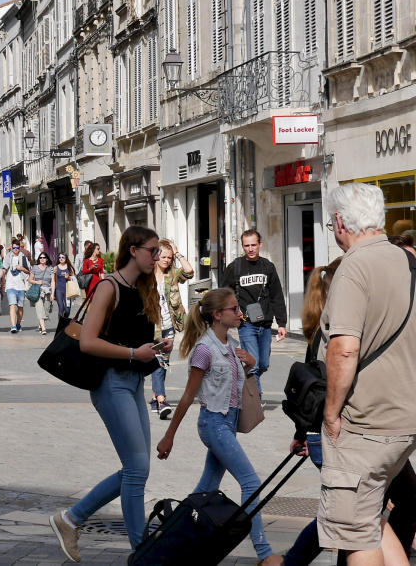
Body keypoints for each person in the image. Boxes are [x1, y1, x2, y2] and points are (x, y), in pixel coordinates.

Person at [283, 256, 416, 566]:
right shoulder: (337, 333)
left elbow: (309, 390)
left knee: (351, 515)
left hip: (337, 434)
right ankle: (294, 561)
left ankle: (295, 561)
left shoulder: (327, 329)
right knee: (358, 517)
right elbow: (320, 390)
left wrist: (302, 435)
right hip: (342, 434)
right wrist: (314, 430)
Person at [49, 226, 170, 560]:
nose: (156, 257)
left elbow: (133, 340)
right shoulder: (108, 286)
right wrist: (134, 353)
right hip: (110, 382)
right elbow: (88, 342)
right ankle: (143, 553)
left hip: (134, 382)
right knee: (136, 469)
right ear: (133, 250)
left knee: (137, 469)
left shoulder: (144, 289)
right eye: (152, 250)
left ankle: (71, 519)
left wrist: (156, 346)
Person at [315, 183, 416, 566]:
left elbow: (344, 346)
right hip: (405, 416)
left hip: (367, 423)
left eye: (330, 223)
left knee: (354, 531)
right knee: (370, 518)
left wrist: (332, 413)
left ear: (341, 221)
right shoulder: (407, 259)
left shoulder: (356, 265)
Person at [155, 289, 280, 566]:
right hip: (214, 425)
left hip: (228, 424)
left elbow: (236, 388)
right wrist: (169, 436)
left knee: (205, 491)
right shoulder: (204, 349)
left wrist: (251, 363)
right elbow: (188, 395)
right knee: (251, 482)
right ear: (217, 315)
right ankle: (264, 553)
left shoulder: (231, 344)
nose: (239, 313)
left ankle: (171, 539)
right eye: (234, 309)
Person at [223, 230, 287, 393]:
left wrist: (282, 323)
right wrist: (234, 311)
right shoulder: (235, 267)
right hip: (246, 324)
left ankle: (242, 384)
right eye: (247, 246)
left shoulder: (268, 267)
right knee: (254, 363)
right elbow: (223, 294)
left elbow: (276, 296)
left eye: (253, 245)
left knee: (263, 363)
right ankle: (256, 398)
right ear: (242, 246)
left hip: (265, 324)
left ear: (260, 244)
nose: (250, 249)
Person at [150, 240, 194, 419]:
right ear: (156, 256)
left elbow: (190, 272)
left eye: (169, 257)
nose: (167, 260)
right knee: (158, 362)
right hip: (152, 327)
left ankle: (154, 398)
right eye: (163, 256)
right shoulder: (146, 275)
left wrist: (178, 253)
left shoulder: (173, 274)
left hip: (169, 326)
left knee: (163, 363)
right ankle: (162, 400)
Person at [1, 236, 32, 334]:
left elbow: (29, 271)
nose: (15, 250)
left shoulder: (23, 257)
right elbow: (4, 269)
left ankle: (18, 323)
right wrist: (2, 283)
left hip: (21, 286)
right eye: (14, 248)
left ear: (19, 248)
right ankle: (13, 326)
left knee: (20, 307)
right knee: (12, 306)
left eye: (17, 248)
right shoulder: (8, 257)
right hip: (10, 285)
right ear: (11, 248)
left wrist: (21, 268)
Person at [31, 252, 56, 335]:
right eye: (40, 258)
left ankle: (40, 323)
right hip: (38, 290)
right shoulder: (35, 268)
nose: (42, 259)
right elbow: (30, 279)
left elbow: (53, 281)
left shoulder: (50, 268)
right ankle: (44, 328)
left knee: (46, 310)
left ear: (47, 259)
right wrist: (36, 282)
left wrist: (52, 294)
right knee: (39, 308)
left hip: (47, 291)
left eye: (44, 257)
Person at [54, 252, 75, 319]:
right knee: (61, 308)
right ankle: (61, 324)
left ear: (66, 258)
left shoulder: (69, 268)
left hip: (68, 291)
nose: (61, 259)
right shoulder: (56, 268)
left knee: (67, 310)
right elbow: (53, 280)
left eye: (63, 257)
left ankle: (64, 320)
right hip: (59, 290)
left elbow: (75, 279)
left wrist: (69, 278)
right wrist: (53, 293)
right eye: (59, 257)